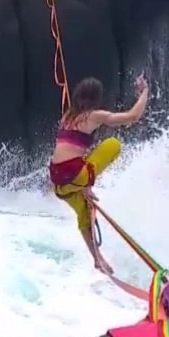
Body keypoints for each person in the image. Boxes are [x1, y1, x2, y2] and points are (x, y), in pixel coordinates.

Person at [49, 73, 150, 274]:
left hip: (58, 184)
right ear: (96, 98)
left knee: (85, 214)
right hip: (75, 176)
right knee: (113, 144)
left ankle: (97, 259)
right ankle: (84, 184)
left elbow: (68, 153)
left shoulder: (67, 117)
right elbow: (133, 116)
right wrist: (145, 92)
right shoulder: (93, 116)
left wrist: (83, 185)